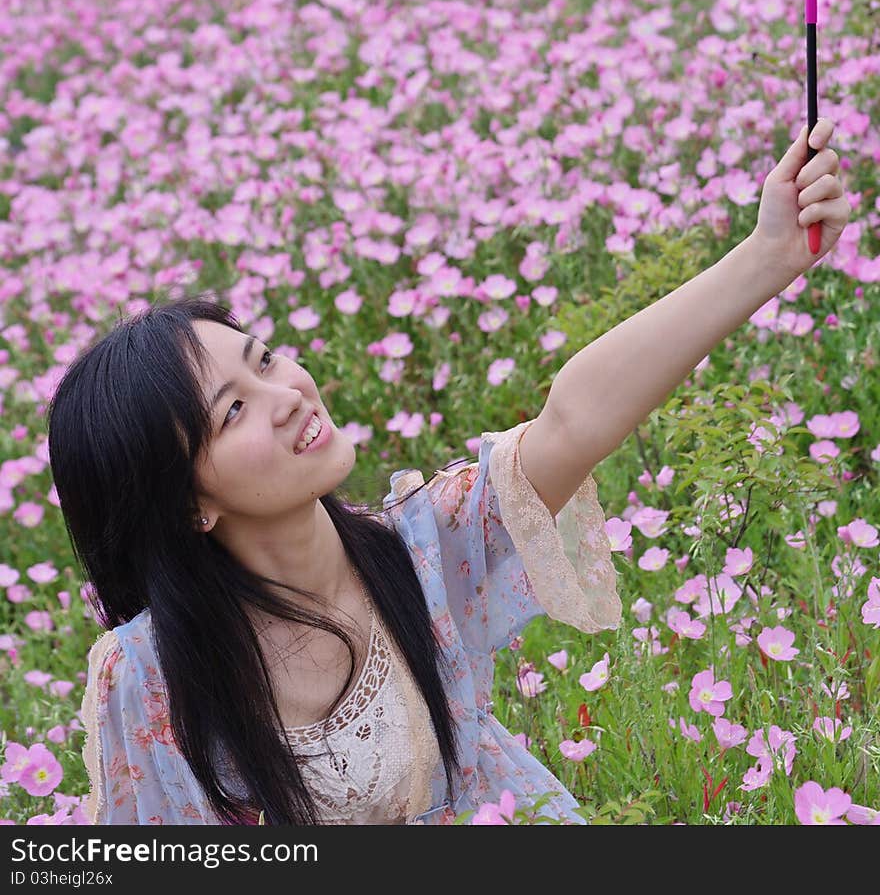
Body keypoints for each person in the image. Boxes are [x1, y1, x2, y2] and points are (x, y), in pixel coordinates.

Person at [46, 119, 851, 825]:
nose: (287, 394)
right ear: (188, 504)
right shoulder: (151, 677)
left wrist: (766, 256)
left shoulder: (425, 547)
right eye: (233, 410)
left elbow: (571, 420)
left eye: (266, 361)